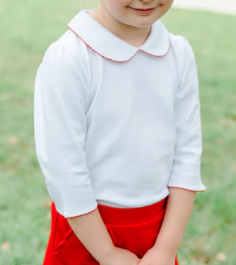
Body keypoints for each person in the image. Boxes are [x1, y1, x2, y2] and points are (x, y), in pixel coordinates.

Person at [33, 0, 207, 265]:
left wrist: (165, 248)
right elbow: (63, 168)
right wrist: (108, 254)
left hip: (158, 234)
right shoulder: (70, 57)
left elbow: (187, 154)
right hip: (87, 233)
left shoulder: (179, 52)